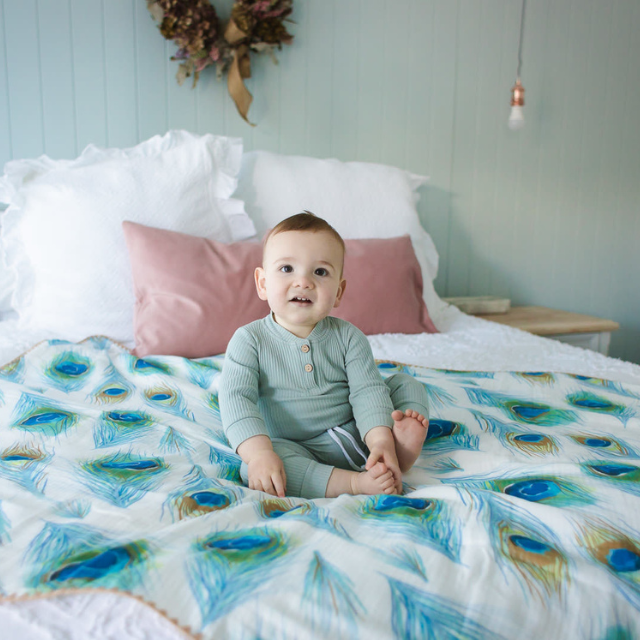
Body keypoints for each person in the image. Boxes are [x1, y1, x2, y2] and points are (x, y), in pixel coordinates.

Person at [219, 212, 430, 500]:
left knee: (406, 384)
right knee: (259, 470)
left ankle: (393, 453)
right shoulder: (249, 340)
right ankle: (355, 483)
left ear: (339, 291)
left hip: (358, 431)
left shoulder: (349, 337)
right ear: (263, 283)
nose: (303, 281)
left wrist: (379, 437)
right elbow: (236, 399)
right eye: (287, 269)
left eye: (320, 272)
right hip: (294, 445)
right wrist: (258, 454)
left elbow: (367, 391)